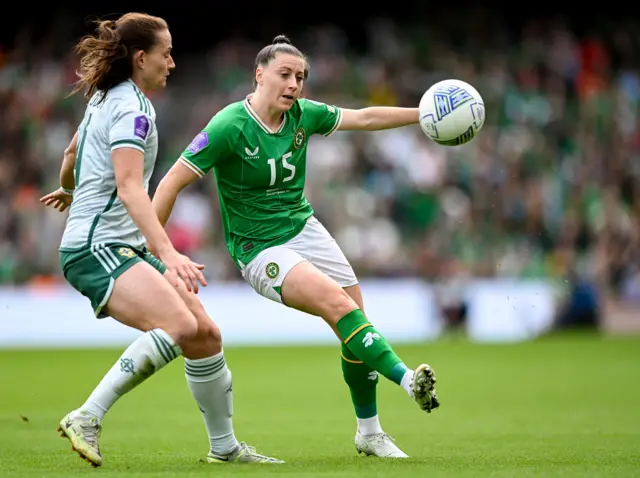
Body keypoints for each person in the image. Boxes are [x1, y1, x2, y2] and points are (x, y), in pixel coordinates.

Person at [151, 34, 440, 459]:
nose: (294, 84)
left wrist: (424, 114)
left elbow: (363, 117)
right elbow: (170, 183)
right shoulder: (229, 125)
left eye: (300, 77)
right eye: (284, 75)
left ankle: (370, 433)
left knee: (355, 321)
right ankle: (407, 378)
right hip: (260, 248)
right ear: (259, 74)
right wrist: (158, 250)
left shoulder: (304, 116)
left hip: (304, 228)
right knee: (338, 307)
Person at [39, 13, 282, 467]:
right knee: (178, 326)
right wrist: (168, 253)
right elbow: (130, 187)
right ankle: (87, 416)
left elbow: (71, 152)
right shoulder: (132, 107)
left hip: (114, 245)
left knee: (205, 335)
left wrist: (70, 189)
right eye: (166, 53)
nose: (172, 62)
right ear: (140, 57)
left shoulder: (105, 98)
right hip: (98, 249)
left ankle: (225, 448)